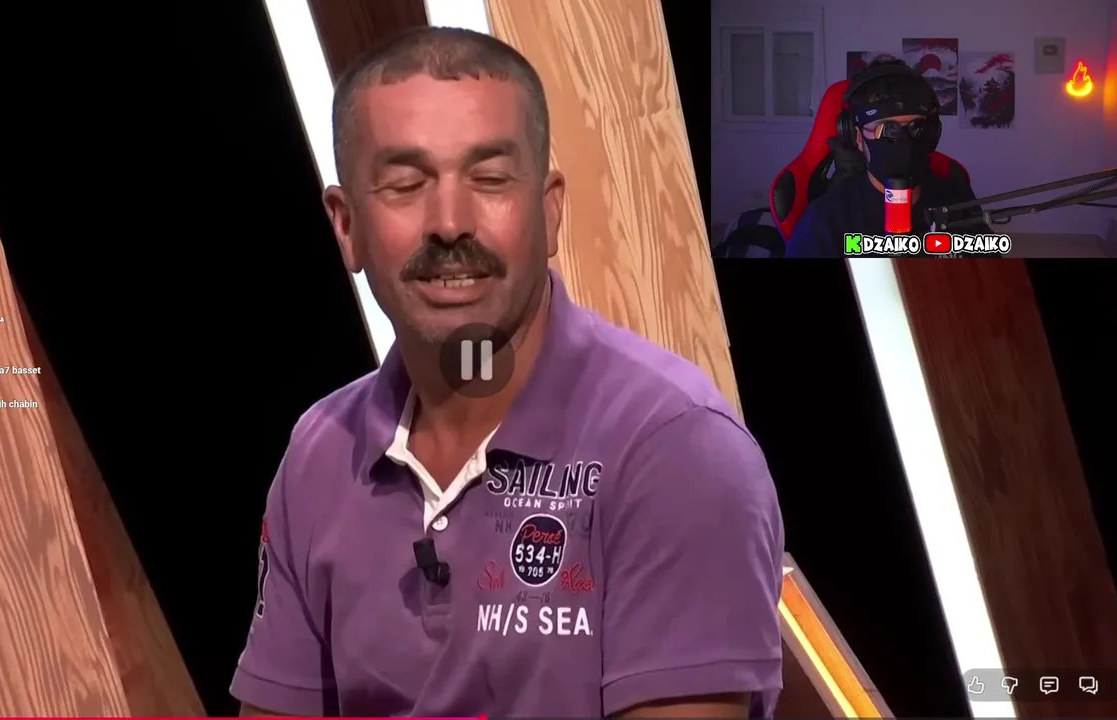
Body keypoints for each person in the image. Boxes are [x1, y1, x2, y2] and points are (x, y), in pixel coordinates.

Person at [232, 27, 784, 718]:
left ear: (550, 210)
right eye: (406, 185)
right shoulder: (319, 454)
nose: (450, 223)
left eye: (490, 179)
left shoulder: (675, 450)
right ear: (347, 227)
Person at [786, 59, 991, 257]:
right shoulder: (825, 220)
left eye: (916, 128)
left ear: (933, 133)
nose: (903, 141)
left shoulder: (957, 200)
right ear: (858, 137)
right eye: (886, 129)